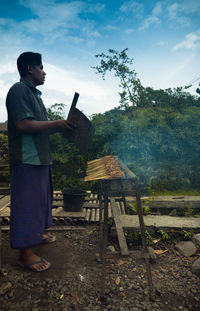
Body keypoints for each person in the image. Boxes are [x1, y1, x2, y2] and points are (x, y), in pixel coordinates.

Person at [6, 52, 75, 272]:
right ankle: (25, 254)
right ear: (29, 69)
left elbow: (41, 128)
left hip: (40, 157)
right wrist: (57, 124)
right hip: (27, 159)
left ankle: (38, 233)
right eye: (41, 67)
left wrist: (61, 128)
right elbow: (24, 125)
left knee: (41, 201)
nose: (44, 72)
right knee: (27, 204)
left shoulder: (36, 95)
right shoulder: (18, 91)